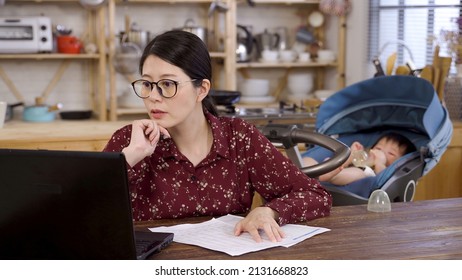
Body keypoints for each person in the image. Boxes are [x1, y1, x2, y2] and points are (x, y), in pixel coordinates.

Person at [103, 30, 332, 243]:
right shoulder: (128, 141)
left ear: (201, 89)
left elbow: (315, 195)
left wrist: (268, 210)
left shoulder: (239, 138)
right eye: (147, 84)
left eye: (167, 84)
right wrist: (128, 159)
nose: (153, 96)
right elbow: (80, 212)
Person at [303, 132, 415, 186]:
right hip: (336, 167)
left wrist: (379, 163)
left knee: (358, 172)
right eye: (378, 147)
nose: (381, 152)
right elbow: (345, 164)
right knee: (308, 160)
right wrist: (351, 155)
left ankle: (328, 174)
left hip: (362, 174)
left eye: (391, 153)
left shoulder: (383, 170)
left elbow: (382, 180)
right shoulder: (365, 158)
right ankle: (304, 169)